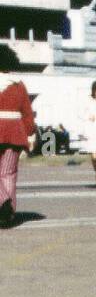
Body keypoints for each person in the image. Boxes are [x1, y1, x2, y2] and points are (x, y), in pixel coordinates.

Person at [0, 45, 37, 227]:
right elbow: (27, 114)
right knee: (8, 173)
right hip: (15, 132)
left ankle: (2, 202)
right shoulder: (19, 85)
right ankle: (8, 214)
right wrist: (29, 132)